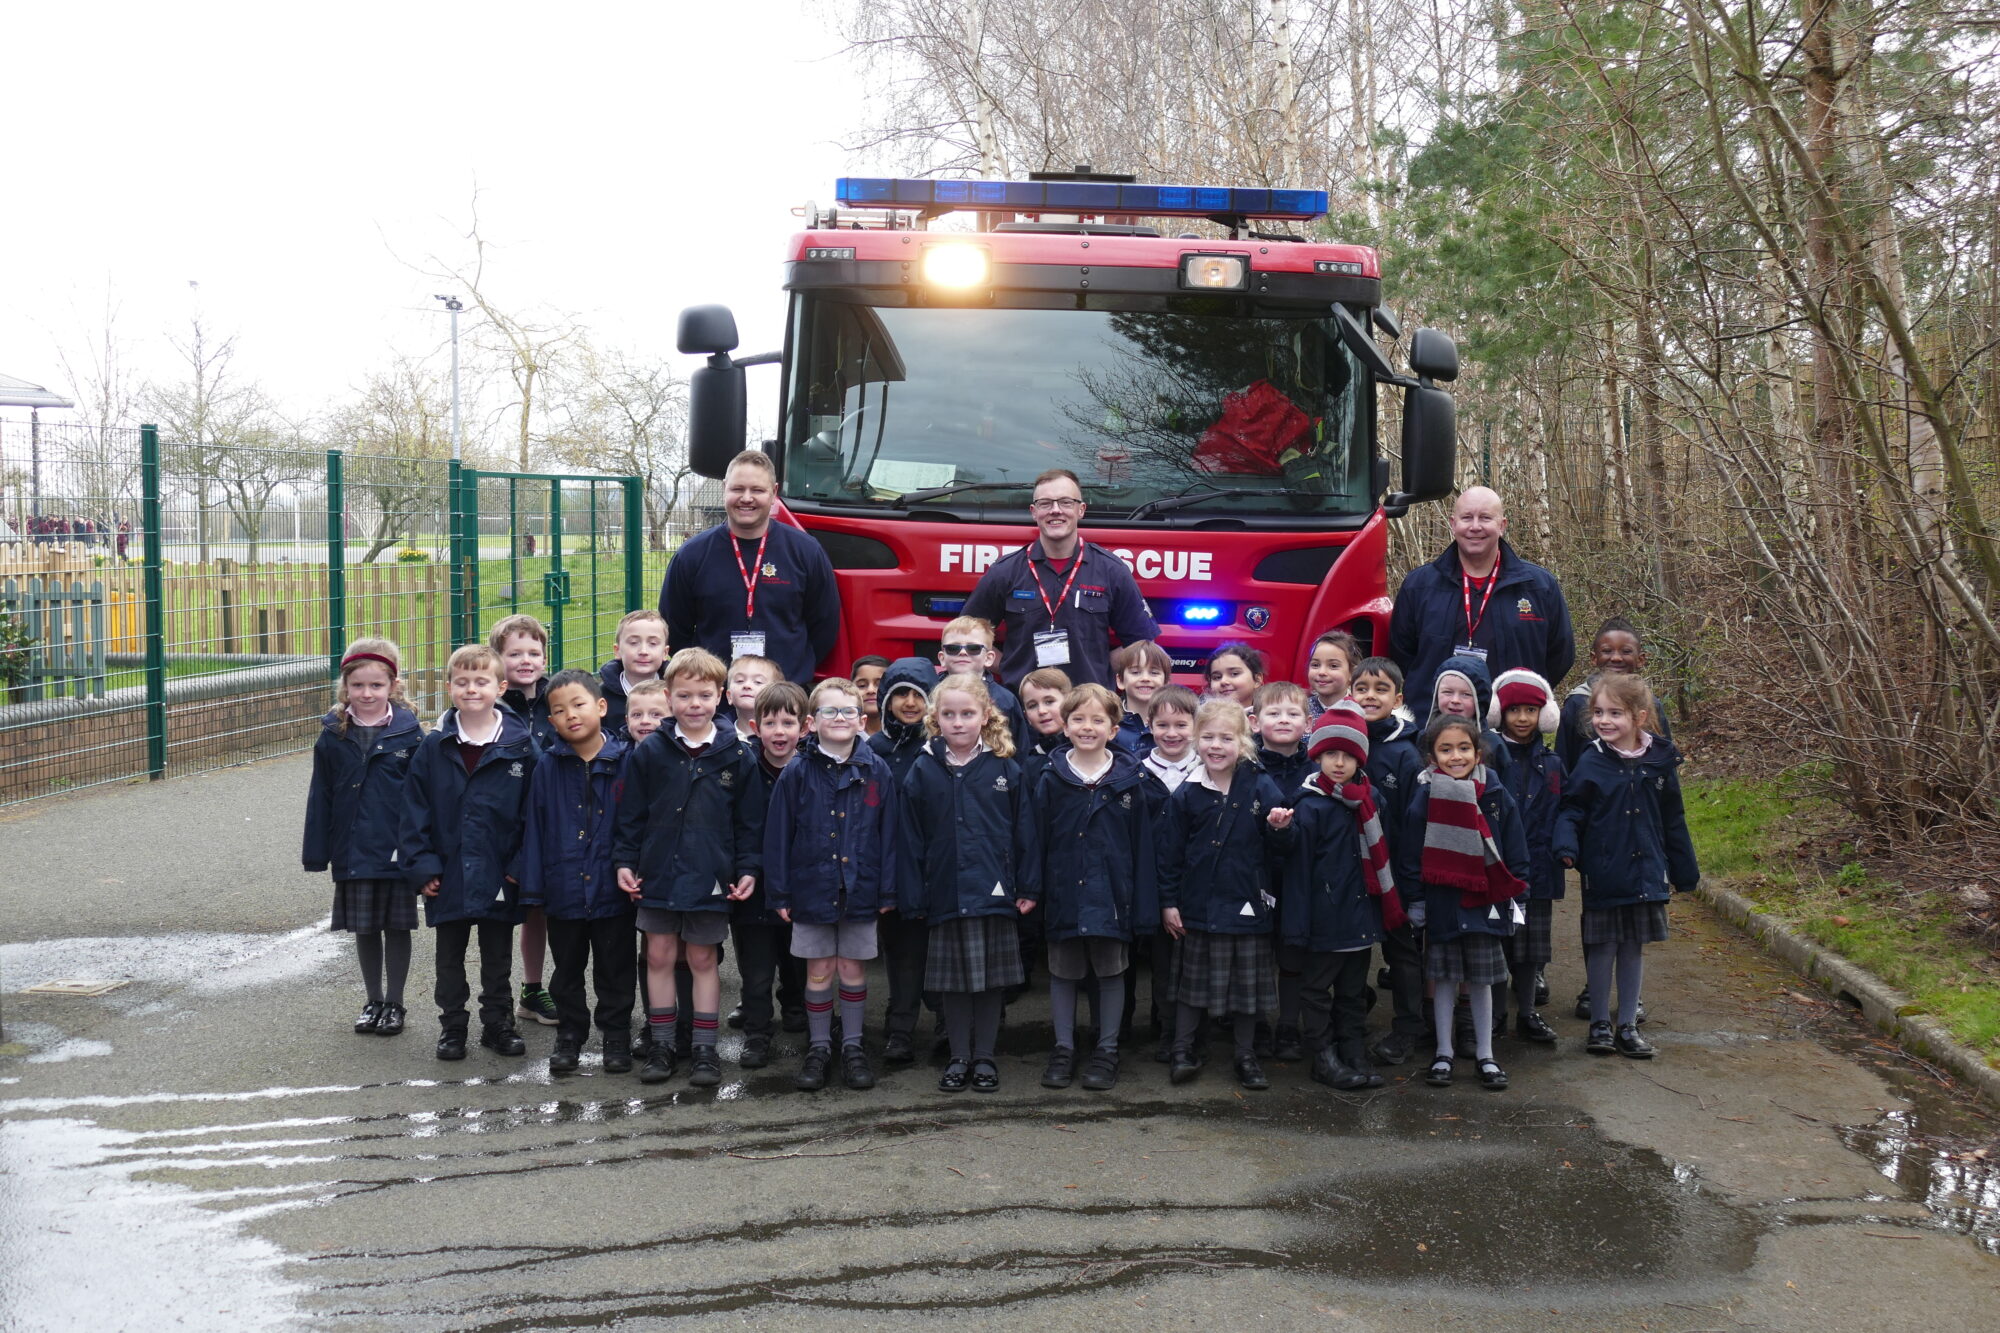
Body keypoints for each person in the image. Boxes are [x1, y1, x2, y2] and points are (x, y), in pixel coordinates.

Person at [612, 647, 763, 1087]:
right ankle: (662, 1045)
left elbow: (749, 822)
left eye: (704, 695)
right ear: (668, 696)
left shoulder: (738, 755)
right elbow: (631, 815)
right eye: (684, 695)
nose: (694, 704)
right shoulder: (650, 752)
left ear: (721, 696)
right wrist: (624, 862)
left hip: (711, 876)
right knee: (658, 954)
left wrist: (748, 868)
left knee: (701, 957)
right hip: (657, 872)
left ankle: (703, 1050)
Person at [898, 673, 1037, 1093]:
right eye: (949, 714)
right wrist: (913, 894)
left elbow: (1025, 831)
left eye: (967, 714)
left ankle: (986, 1057)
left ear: (985, 715)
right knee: (954, 984)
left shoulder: (1005, 768)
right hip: (945, 890)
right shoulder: (922, 768)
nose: (958, 722)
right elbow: (909, 838)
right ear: (935, 718)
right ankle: (959, 1056)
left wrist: (1028, 886)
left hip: (994, 889)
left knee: (992, 982)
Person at [399, 644, 538, 1062]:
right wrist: (423, 866)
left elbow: (536, 813)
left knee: (497, 956)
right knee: (449, 957)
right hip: (448, 871)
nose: (471, 689)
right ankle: (453, 1026)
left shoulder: (522, 746)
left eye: (481, 681)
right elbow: (413, 810)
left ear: (501, 687)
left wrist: (520, 865)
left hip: (500, 871)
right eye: (462, 682)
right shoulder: (434, 746)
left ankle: (498, 1023)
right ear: (449, 688)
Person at [1553, 673, 1699, 1060]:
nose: (1604, 720)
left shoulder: (1659, 761)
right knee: (1603, 947)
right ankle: (1600, 1023)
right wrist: (1566, 845)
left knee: (1632, 947)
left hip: (1646, 870)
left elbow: (1673, 818)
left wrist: (1684, 870)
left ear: (1639, 716)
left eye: (1614, 713)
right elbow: (1572, 808)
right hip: (1604, 871)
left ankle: (1628, 1025)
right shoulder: (1592, 760)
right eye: (1598, 712)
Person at [766, 678, 899, 1092]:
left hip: (862, 888)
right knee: (820, 969)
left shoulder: (877, 770)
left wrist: (888, 890)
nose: (839, 718)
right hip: (810, 887)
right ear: (811, 722)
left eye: (847, 711)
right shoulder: (796, 772)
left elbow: (890, 835)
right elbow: (778, 836)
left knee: (852, 968)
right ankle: (820, 1045)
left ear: (862, 721)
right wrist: (780, 892)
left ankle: (854, 1046)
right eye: (829, 711)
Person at [1024, 683, 1156, 1092]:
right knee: (1063, 973)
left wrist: (1144, 905)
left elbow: (1142, 847)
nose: (1087, 727)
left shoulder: (1130, 780)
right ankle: (1064, 1048)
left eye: (1098, 720)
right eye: (1078, 719)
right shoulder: (1050, 777)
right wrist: (1032, 888)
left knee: (1111, 971)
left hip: (1113, 894)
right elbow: (1035, 838)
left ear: (1113, 730)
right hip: (1063, 890)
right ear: (1065, 726)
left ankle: (1106, 1049)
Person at [1273, 701, 1406, 1090]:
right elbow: (1294, 863)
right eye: (1330, 754)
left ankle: (1353, 1052)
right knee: (1317, 990)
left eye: (1348, 755)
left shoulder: (1370, 799)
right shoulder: (1309, 804)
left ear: (1360, 759)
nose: (1339, 763)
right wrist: (1280, 832)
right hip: (1324, 915)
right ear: (1317, 755)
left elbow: (1385, 849)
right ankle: (1323, 1056)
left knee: (1352, 991)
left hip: (1360, 913)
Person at [1396, 713, 1529, 1091]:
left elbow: (1515, 846)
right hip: (1443, 903)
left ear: (1478, 753)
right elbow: (1410, 853)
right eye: (1446, 749)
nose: (1456, 756)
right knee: (1443, 980)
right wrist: (1416, 900)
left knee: (1482, 981)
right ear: (1432, 757)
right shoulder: (1425, 796)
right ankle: (1443, 1052)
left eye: (1463, 748)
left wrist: (1519, 895)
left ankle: (1486, 1054)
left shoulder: (1496, 794)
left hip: (1485, 901)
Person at [1157, 699, 1285, 1090]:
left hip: (1247, 902)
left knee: (1247, 989)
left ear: (1243, 741)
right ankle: (1182, 1050)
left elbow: (1281, 851)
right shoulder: (1187, 793)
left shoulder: (1261, 785)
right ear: (1196, 740)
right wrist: (1169, 902)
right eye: (1208, 737)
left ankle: (1245, 1055)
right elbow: (1169, 854)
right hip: (1198, 905)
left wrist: (1281, 829)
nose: (1216, 745)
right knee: (1192, 986)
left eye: (1226, 738)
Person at [302, 639, 424, 1039]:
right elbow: (321, 796)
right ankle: (373, 1000)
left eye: (376, 685)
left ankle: (395, 1002)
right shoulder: (332, 735)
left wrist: (424, 850)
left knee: (397, 928)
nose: (366, 693)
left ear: (393, 685)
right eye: (358, 686)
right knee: (365, 928)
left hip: (396, 849)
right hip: (353, 848)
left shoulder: (411, 734)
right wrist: (317, 853)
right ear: (345, 687)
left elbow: (424, 798)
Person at [517, 670, 635, 1076]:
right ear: (550, 721)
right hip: (563, 888)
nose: (570, 715)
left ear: (601, 707)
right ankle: (569, 1034)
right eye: (559, 710)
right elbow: (535, 828)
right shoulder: (547, 766)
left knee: (615, 968)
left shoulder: (626, 761)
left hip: (613, 890)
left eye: (579, 705)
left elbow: (635, 825)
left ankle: (616, 1034)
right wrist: (534, 889)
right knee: (566, 970)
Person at [1389, 486, 1575, 727]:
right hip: (1433, 728)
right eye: (1467, 517)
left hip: (1511, 731)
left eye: (1485, 518)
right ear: (1453, 524)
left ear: (1502, 525)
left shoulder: (1539, 586)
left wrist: (1521, 696)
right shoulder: (1419, 585)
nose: (1475, 526)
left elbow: (1560, 655)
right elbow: (1402, 653)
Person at [961, 468, 1159, 689]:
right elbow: (965, 636)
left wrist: (1100, 669)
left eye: (1066, 502)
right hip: (1025, 704)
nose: (1055, 510)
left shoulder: (1112, 571)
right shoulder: (1005, 572)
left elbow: (1142, 642)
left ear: (1081, 510)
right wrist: (1010, 668)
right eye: (1045, 503)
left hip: (1088, 706)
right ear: (1034, 512)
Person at [661, 449, 840, 687]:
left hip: (785, 694)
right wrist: (703, 677)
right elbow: (674, 628)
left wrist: (795, 669)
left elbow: (825, 625)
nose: (746, 498)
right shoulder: (691, 555)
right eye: (738, 489)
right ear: (724, 488)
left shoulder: (806, 551)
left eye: (757, 490)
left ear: (774, 492)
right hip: (714, 694)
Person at [1347, 656, 1427, 1065]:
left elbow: (1415, 823)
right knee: (1351, 949)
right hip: (1349, 871)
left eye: (1381, 689)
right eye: (1362, 688)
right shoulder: (1343, 742)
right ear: (1350, 694)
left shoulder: (1406, 754)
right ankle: (1351, 1016)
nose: (1370, 696)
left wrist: (1412, 883)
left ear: (1397, 699)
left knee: (1401, 952)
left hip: (1394, 871)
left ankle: (1409, 1028)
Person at [868, 657, 946, 1065]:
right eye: (900, 695)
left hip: (936, 865)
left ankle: (947, 1024)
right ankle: (900, 1028)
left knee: (942, 950)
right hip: (893, 865)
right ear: (886, 701)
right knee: (902, 952)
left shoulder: (941, 749)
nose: (910, 703)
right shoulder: (874, 750)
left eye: (918, 695)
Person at [734, 681, 811, 1068]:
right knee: (756, 969)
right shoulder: (744, 768)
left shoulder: (811, 769)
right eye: (770, 723)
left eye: (788, 723)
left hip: (798, 886)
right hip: (753, 887)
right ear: (755, 728)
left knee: (798, 959)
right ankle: (757, 1032)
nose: (779, 732)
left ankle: (798, 1008)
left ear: (805, 727)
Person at [1486, 669, 1566, 1045]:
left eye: (1530, 711)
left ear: (1543, 714)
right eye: (1514, 709)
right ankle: (1496, 1013)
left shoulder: (1552, 763)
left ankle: (1528, 1012)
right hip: (1499, 868)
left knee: (1531, 948)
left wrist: (1563, 847)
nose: (1522, 718)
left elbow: (1564, 809)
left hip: (1540, 867)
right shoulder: (1489, 759)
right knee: (1498, 942)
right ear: (1499, 712)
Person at [490, 614, 559, 1030]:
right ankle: (503, 998)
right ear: (497, 659)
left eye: (534, 653)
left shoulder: (558, 699)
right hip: (506, 827)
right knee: (504, 912)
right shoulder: (488, 705)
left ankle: (539, 989)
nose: (526, 661)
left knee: (543, 911)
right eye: (515, 653)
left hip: (552, 824)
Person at [1555, 617, 1673, 773]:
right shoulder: (1577, 703)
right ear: (1594, 658)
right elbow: (1562, 763)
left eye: (1626, 651)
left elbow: (1665, 761)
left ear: (1640, 659)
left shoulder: (1651, 704)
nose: (1616, 658)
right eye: (1607, 651)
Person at [935, 616, 1030, 753]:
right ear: (942, 658)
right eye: (953, 648)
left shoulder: (1005, 700)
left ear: (989, 658)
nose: (962, 652)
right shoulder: (929, 694)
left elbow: (1020, 749)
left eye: (973, 648)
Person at [599, 610, 670, 740]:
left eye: (653, 644)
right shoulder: (600, 696)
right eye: (633, 643)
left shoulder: (676, 693)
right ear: (617, 651)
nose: (643, 651)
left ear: (665, 652)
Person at [1112, 640, 1172, 754]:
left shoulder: (1178, 722)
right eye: (1135, 672)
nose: (1145, 678)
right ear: (1120, 681)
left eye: (1154, 673)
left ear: (1166, 682)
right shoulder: (1108, 721)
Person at [1305, 629, 1361, 722]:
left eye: (1333, 666)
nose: (1322, 672)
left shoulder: (1360, 711)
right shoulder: (1299, 710)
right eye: (1315, 665)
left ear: (1352, 673)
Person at [724, 653, 780, 731]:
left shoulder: (784, 735)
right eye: (740, 681)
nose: (747, 685)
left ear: (775, 696)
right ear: (729, 696)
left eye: (758, 682)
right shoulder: (716, 733)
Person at [851, 655, 891, 736]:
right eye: (862, 685)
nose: (871, 690)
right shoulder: (842, 735)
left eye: (879, 685)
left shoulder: (907, 736)